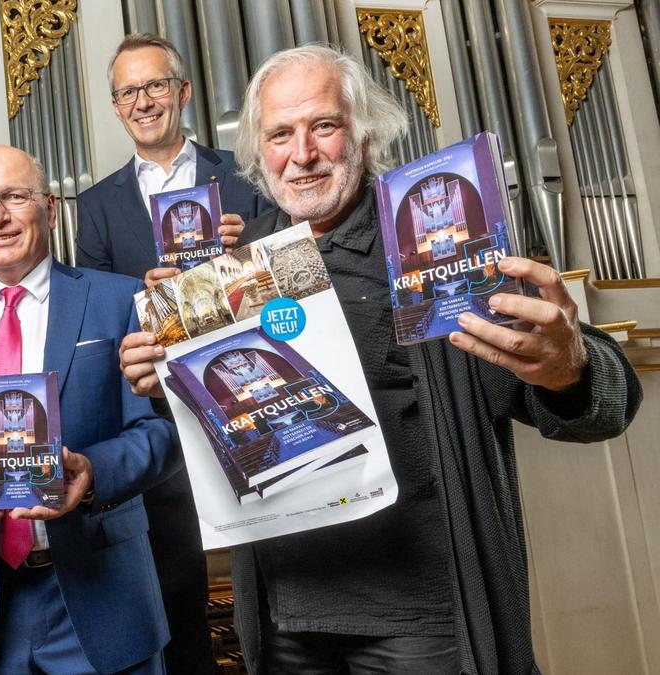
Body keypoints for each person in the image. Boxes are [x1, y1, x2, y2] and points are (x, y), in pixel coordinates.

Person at [118, 44, 643, 674]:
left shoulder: (431, 240)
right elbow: (227, 419)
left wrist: (572, 367)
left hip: (425, 617)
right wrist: (161, 381)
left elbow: (599, 404)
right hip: (288, 617)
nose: (302, 153)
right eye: (280, 134)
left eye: (324, 126)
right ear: (258, 155)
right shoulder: (238, 264)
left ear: (365, 135)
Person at [0, 145, 180, 673]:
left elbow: (161, 433)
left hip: (101, 598)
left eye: (14, 197)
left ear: (50, 206)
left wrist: (92, 476)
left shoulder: (119, 299)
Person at [76, 33, 272, 673]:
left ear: (182, 92)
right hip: (163, 417)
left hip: (256, 396)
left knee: (275, 574)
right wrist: (146, 297)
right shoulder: (97, 205)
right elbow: (93, 316)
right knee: (178, 583)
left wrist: (248, 253)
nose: (143, 101)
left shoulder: (246, 182)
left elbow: (293, 282)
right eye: (128, 91)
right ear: (115, 107)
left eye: (155, 85)